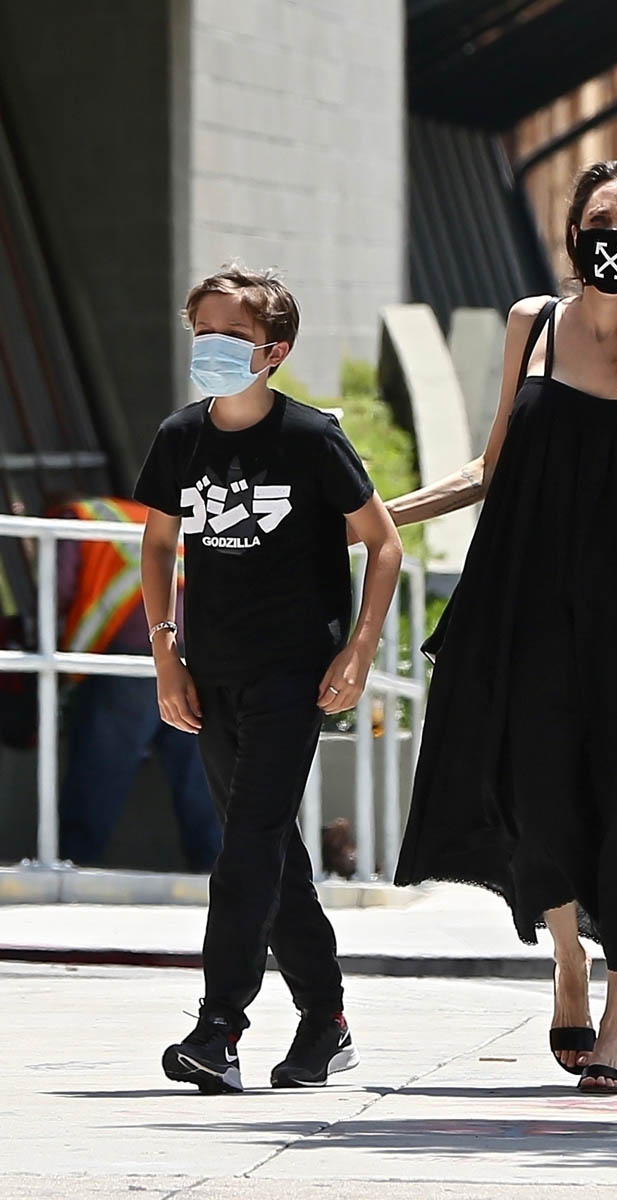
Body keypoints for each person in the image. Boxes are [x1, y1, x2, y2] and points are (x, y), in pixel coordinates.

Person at [389, 161, 617, 1093]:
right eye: (599, 222)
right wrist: (380, 516)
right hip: (534, 607)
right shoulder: (532, 326)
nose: (612, 238)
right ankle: (567, 960)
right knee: (540, 793)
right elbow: (491, 466)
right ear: (574, 234)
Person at [135, 263, 402, 1093]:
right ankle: (326, 1019)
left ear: (273, 351)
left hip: (295, 675)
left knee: (248, 842)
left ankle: (220, 1025)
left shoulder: (311, 438)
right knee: (271, 848)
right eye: (201, 332)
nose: (211, 347)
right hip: (211, 674)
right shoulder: (180, 436)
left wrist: (358, 650)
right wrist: (166, 654)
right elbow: (157, 544)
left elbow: (383, 543)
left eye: (231, 335)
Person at [54, 496, 220, 871]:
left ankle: (73, 867)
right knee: (202, 777)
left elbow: (57, 589)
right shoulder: (175, 521)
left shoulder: (76, 517)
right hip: (197, 659)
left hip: (131, 661)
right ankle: (217, 871)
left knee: (100, 771)